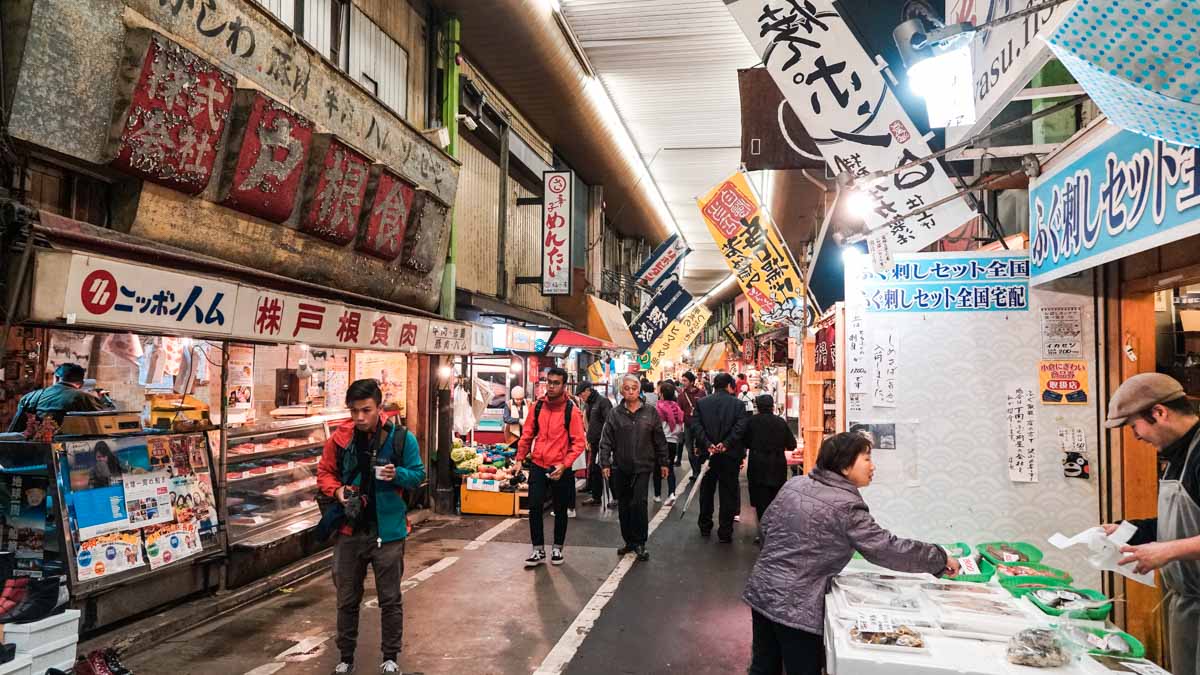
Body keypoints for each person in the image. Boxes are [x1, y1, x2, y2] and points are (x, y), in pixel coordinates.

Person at [743, 432, 959, 674]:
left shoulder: (796, 484)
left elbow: (766, 529)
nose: (872, 466)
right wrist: (938, 558)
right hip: (798, 607)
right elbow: (886, 549)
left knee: (763, 667)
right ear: (845, 466)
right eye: (866, 459)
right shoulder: (846, 506)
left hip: (763, 591)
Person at [316, 379, 426, 675]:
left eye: (366, 410)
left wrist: (397, 473)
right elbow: (324, 473)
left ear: (380, 408)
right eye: (354, 411)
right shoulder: (340, 439)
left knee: (390, 599)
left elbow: (418, 475)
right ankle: (345, 657)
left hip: (388, 532)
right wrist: (337, 491)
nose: (360, 417)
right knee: (347, 599)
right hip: (349, 532)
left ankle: (390, 657)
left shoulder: (402, 438)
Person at [1100, 373, 1200, 674]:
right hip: (1187, 606)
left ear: (1159, 412)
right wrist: (1130, 530)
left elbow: (1177, 539)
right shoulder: (1177, 456)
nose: (1136, 436)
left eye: (1134, 426)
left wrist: (1167, 552)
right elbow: (1183, 522)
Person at [513, 368, 586, 568]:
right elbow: (527, 434)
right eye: (549, 382)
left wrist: (565, 465)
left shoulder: (572, 410)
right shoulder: (537, 407)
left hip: (560, 467)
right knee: (535, 507)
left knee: (560, 509)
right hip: (538, 464)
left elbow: (579, 442)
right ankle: (537, 549)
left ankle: (557, 548)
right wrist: (520, 458)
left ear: (564, 385)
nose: (551, 386)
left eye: (556, 383)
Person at [600, 374, 668, 561]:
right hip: (621, 466)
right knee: (624, 504)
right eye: (627, 388)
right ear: (622, 391)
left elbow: (659, 439)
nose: (630, 391)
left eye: (634, 388)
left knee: (639, 503)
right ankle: (628, 541)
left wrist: (664, 462)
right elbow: (606, 440)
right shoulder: (615, 413)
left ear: (639, 390)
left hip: (643, 465)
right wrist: (605, 462)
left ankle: (640, 542)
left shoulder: (650, 412)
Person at [690, 373, 750, 542]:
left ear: (714, 386)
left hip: (707, 454)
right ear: (729, 386)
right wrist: (726, 443)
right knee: (728, 492)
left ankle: (705, 526)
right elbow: (741, 427)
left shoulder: (701, 403)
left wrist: (708, 443)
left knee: (707, 490)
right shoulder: (738, 404)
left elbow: (696, 425)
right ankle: (725, 531)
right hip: (729, 455)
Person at [7, 363, 113, 433]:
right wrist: (105, 400)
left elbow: (14, 430)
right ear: (81, 384)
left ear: (56, 377)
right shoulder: (83, 398)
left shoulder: (30, 397)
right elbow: (110, 421)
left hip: (34, 450)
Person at [743, 395, 796, 528]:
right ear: (772, 406)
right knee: (776, 498)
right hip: (777, 463)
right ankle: (774, 528)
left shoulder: (751, 422)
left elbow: (745, 442)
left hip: (757, 463)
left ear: (758, 407)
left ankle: (763, 529)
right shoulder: (780, 422)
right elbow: (792, 444)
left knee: (760, 499)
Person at [577, 382, 614, 507]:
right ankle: (595, 495)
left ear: (588, 390)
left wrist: (607, 442)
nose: (581, 397)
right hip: (593, 441)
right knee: (594, 468)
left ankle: (612, 497)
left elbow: (609, 422)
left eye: (582, 394)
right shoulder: (589, 404)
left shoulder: (603, 402)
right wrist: (587, 438)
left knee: (604, 469)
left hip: (603, 443)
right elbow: (589, 422)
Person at [654, 382, 685, 505]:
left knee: (657, 468)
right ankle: (671, 493)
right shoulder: (676, 407)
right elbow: (680, 427)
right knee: (670, 467)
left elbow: (656, 427)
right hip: (673, 442)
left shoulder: (659, 407)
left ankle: (657, 495)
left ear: (661, 394)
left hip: (660, 442)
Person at [678, 372, 706, 475]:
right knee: (690, 450)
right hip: (688, 426)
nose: (683, 383)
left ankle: (699, 467)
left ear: (692, 382)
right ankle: (695, 471)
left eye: (685, 380)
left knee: (701, 449)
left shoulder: (701, 393)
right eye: (682, 380)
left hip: (700, 426)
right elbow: (679, 411)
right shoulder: (681, 395)